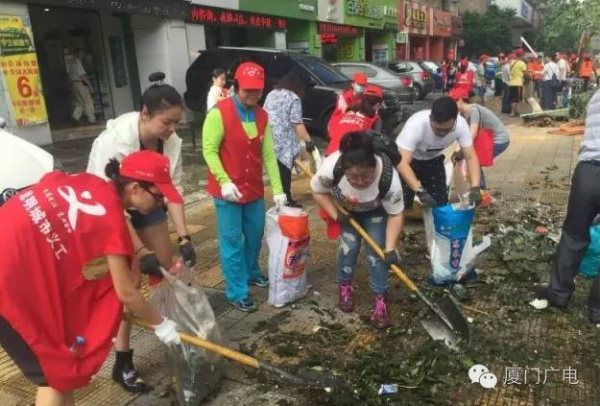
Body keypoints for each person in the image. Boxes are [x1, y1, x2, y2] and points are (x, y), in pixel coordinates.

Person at [0, 150, 182, 406]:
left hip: (17, 268)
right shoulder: (110, 217)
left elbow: (51, 182)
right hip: (7, 287)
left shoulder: (88, 182)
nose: (161, 203)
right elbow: (126, 293)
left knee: (65, 366)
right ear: (135, 188)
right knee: (52, 376)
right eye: (158, 195)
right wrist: (162, 325)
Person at [87, 72, 196, 393]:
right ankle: (122, 358)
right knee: (130, 280)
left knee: (163, 261)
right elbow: (111, 207)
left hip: (147, 198)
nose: (172, 129)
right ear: (145, 114)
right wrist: (138, 252)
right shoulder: (114, 142)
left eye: (176, 122)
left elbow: (171, 191)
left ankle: (170, 327)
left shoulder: (170, 142)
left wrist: (185, 237)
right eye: (167, 122)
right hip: (110, 205)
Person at [202, 62, 285, 312]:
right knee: (231, 241)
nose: (252, 95)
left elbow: (269, 155)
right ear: (236, 86)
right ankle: (237, 290)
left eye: (257, 91)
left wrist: (279, 190)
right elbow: (209, 150)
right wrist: (224, 180)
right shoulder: (219, 113)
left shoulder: (262, 115)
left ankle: (251, 271)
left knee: (255, 234)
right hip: (227, 192)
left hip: (253, 190)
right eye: (248, 90)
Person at [311, 132, 404, 329]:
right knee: (348, 248)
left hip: (376, 212)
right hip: (347, 213)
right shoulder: (331, 167)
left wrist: (390, 248)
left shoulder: (388, 177)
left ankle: (380, 299)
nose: (360, 182)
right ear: (344, 169)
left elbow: (396, 214)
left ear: (374, 168)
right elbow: (318, 191)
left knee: (376, 254)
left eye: (366, 176)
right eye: (353, 177)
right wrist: (337, 216)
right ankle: (345, 287)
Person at [534, 91, 600, 324]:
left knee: (574, 234)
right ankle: (597, 309)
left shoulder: (596, 97)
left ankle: (559, 293)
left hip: (587, 172)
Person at [395, 96, 482, 237]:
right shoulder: (416, 125)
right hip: (408, 161)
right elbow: (403, 163)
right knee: (402, 206)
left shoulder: (461, 126)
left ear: (455, 120)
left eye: (447, 130)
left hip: (433, 160)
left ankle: (439, 241)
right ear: (431, 118)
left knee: (440, 203)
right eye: (437, 129)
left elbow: (470, 156)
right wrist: (419, 190)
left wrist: (475, 187)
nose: (441, 134)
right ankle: (396, 244)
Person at [264, 69, 315, 208]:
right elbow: (297, 123)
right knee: (285, 171)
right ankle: (286, 200)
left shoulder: (272, 93)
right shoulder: (293, 98)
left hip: (268, 136)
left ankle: (282, 196)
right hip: (284, 139)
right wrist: (309, 141)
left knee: (276, 169)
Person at [452, 92, 510, 207]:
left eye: (452, 103)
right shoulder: (462, 115)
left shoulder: (473, 110)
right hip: (488, 140)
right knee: (472, 160)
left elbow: (472, 133)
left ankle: (481, 193)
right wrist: (456, 152)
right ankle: (478, 190)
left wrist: (462, 151)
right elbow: (461, 136)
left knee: (474, 160)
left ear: (459, 100)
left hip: (499, 140)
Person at [326, 84, 383, 156]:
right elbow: (376, 141)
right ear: (377, 104)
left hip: (330, 153)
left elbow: (330, 131)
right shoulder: (375, 118)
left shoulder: (346, 112)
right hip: (351, 157)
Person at [68, 48, 96, 125]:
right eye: (81, 54)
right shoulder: (77, 62)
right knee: (87, 101)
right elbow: (82, 75)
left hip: (73, 84)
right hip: (79, 83)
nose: (83, 55)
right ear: (77, 54)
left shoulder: (70, 62)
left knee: (79, 102)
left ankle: (75, 117)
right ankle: (91, 119)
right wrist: (90, 85)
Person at [508, 52, 527, 117]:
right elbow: (525, 73)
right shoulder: (522, 63)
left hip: (511, 83)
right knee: (516, 99)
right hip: (518, 83)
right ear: (522, 55)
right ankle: (513, 113)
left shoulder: (511, 62)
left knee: (512, 98)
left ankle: (514, 111)